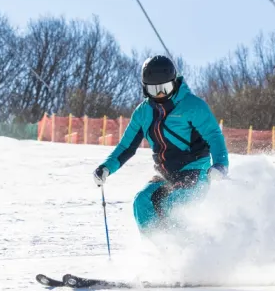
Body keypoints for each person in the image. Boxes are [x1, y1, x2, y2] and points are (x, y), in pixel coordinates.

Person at [92, 54, 229, 233]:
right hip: (165, 173)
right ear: (145, 89)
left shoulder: (192, 106)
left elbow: (213, 135)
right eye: (154, 90)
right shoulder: (143, 113)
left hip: (196, 171)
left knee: (173, 205)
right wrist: (106, 167)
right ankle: (159, 251)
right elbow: (126, 146)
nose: (160, 94)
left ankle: (191, 250)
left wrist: (220, 164)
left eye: (165, 88)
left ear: (174, 82)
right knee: (142, 202)